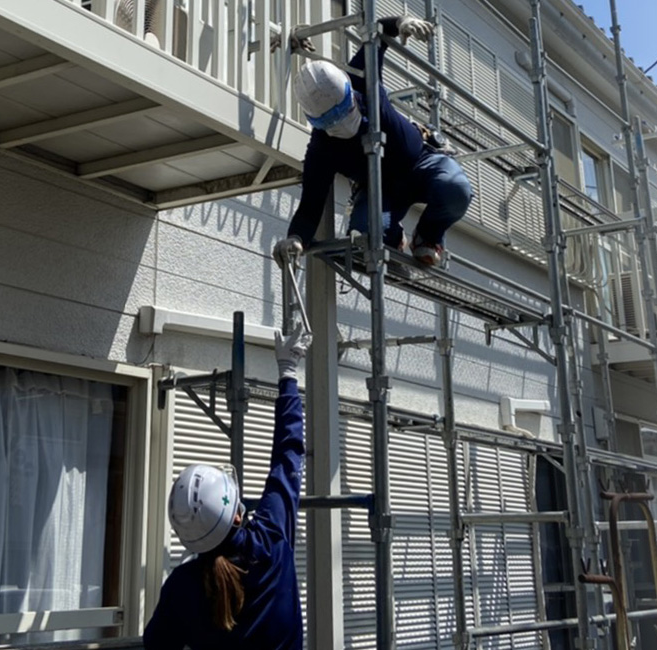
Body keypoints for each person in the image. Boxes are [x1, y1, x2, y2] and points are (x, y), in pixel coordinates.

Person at [144, 331, 313, 650]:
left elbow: (156, 645)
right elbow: (288, 455)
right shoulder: (272, 541)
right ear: (237, 512)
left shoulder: (182, 588)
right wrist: (288, 371)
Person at [277, 15, 473, 268]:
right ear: (313, 120)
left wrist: (401, 22)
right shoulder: (321, 148)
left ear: (349, 92)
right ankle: (393, 236)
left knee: (455, 189)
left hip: (421, 162)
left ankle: (428, 236)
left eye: (339, 112)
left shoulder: (360, 78)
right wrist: (295, 238)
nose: (338, 123)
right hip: (379, 187)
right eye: (327, 121)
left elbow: (377, 34)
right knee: (366, 240)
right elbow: (310, 205)